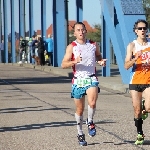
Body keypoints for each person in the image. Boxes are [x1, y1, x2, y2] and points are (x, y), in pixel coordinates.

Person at [61, 22, 107, 146]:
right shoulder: (72, 46)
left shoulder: (93, 44)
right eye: (78, 30)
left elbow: (98, 56)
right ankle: (80, 133)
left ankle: (90, 121)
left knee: (92, 102)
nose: (81, 32)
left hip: (91, 77)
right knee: (79, 110)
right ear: (74, 33)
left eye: (83, 29)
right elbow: (63, 64)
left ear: (86, 31)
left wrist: (101, 61)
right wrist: (75, 61)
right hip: (78, 80)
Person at [124, 19, 150, 145]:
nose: (142, 30)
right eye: (140, 28)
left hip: (148, 80)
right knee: (137, 111)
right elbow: (126, 66)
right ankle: (140, 133)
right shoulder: (132, 46)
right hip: (135, 81)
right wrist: (136, 58)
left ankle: (146, 105)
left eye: (144, 28)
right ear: (135, 31)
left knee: (149, 107)